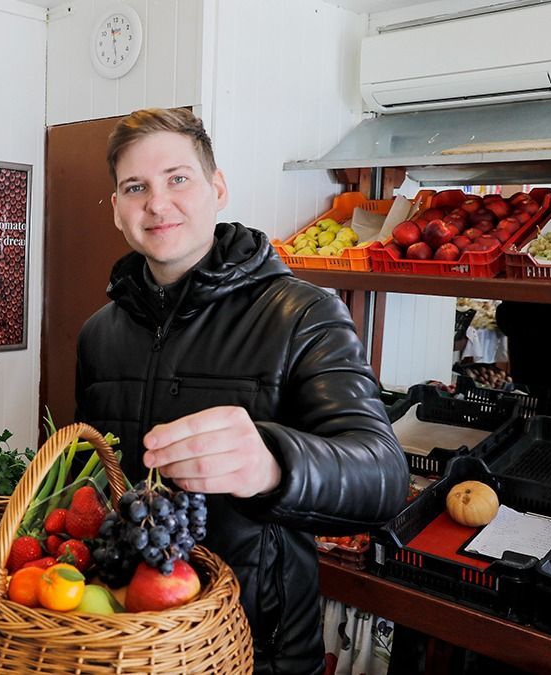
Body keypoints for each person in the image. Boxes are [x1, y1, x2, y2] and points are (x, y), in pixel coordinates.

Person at [74, 108, 409, 674]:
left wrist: (275, 464)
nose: (157, 203)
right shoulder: (98, 334)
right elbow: (96, 475)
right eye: (136, 187)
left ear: (218, 188)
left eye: (178, 178)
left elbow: (383, 475)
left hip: (259, 650)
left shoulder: (303, 314)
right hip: (129, 639)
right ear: (116, 210)